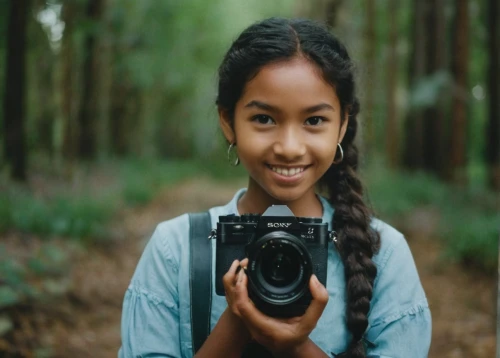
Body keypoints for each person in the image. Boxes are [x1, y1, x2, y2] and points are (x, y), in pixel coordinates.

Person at [119, 17, 431, 358]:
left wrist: (297, 346)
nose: (289, 147)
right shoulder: (175, 251)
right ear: (228, 121)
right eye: (264, 119)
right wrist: (238, 320)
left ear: (342, 124)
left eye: (314, 120)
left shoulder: (383, 254)